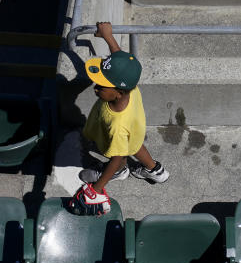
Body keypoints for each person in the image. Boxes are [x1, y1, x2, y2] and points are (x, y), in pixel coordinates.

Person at [71, 22, 169, 215]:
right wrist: (108, 36)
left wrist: (97, 188)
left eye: (101, 86)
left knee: (121, 155)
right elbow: (121, 61)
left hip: (119, 137)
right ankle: (155, 171)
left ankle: (118, 173)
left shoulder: (116, 125)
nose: (95, 88)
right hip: (134, 130)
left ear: (117, 93)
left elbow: (118, 156)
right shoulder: (129, 86)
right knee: (135, 146)